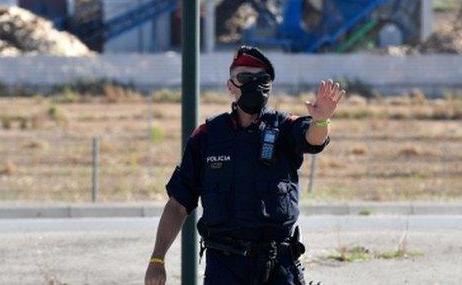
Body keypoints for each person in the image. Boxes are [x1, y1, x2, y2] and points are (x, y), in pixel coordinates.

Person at [144, 46, 345, 285]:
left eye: (262, 79)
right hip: (225, 267)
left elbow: (314, 138)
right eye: (245, 78)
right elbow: (178, 204)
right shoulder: (207, 136)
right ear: (230, 86)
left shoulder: (284, 127)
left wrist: (321, 119)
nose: (254, 84)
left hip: (278, 266)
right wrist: (157, 260)